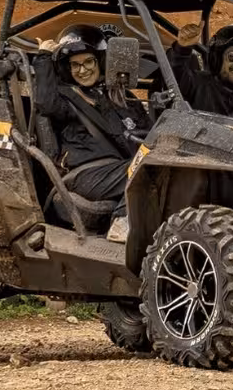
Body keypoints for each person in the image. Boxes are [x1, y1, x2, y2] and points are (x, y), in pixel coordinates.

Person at [34, 24, 150, 242]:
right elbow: (45, 103)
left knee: (156, 166)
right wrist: (43, 58)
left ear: (101, 62)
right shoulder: (66, 97)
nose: (82, 70)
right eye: (75, 65)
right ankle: (121, 222)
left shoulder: (121, 97)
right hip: (85, 175)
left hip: (116, 171)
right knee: (146, 168)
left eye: (88, 62)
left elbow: (150, 132)